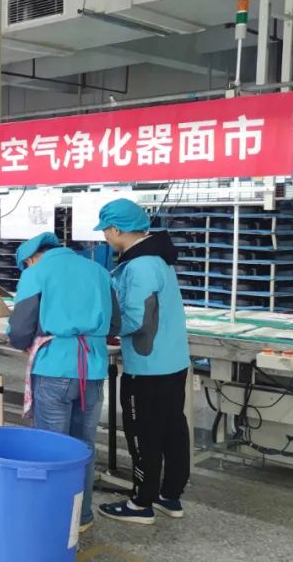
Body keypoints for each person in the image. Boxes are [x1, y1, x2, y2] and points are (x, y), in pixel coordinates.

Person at [6, 232, 120, 533]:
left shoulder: (36, 274)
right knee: (84, 445)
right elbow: (116, 323)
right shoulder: (99, 271)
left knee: (52, 446)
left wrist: (27, 341)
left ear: (31, 258)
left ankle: (54, 520)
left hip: (54, 367)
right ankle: (82, 516)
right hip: (93, 369)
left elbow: (20, 330)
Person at [94, 199, 191, 526]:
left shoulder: (139, 266)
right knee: (172, 429)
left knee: (143, 433)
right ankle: (169, 495)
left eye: (105, 230)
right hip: (173, 361)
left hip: (148, 368)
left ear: (115, 229)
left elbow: (135, 319)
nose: (105, 237)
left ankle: (140, 502)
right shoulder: (160, 259)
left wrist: (103, 327)